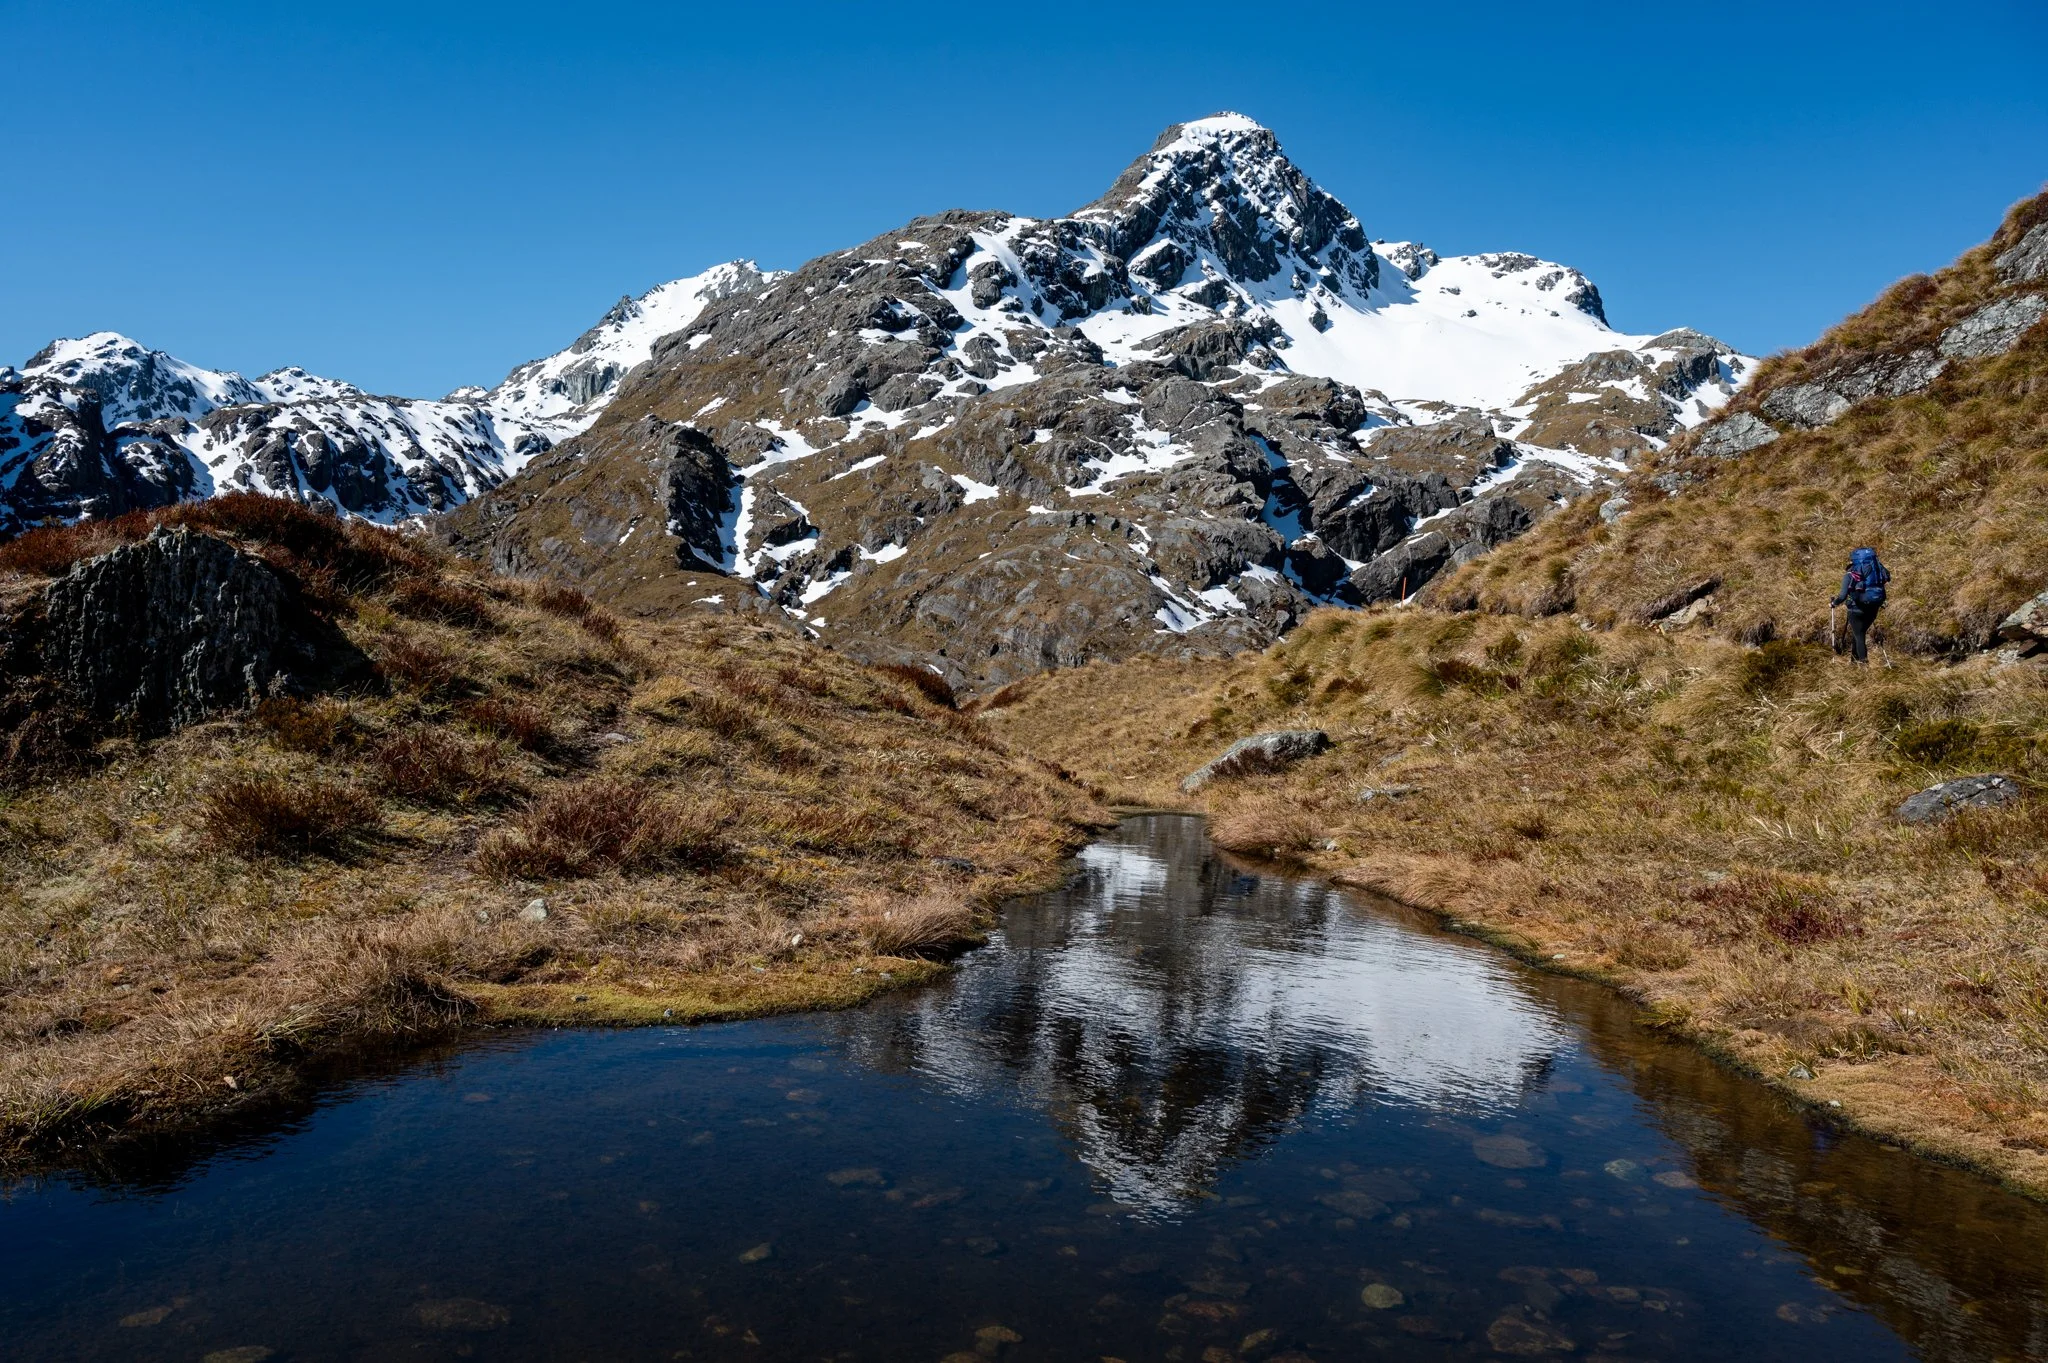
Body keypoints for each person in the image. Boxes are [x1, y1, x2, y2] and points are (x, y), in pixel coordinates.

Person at [1831, 546, 1890, 665]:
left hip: (1856, 609)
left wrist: (1833, 603)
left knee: (1859, 635)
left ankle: (1864, 664)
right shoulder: (1875, 572)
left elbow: (1842, 596)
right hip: (1874, 608)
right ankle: (1853, 661)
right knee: (1858, 633)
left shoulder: (1849, 575)